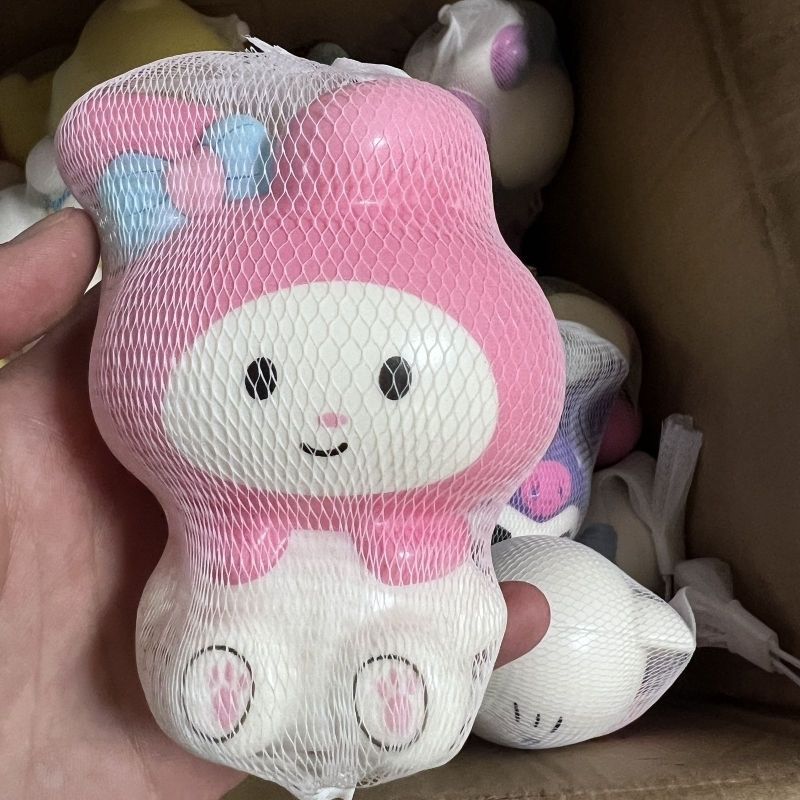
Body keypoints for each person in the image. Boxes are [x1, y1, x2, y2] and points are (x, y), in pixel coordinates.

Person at [0, 209, 547, 799]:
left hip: (405, 602)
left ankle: (399, 672)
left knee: (411, 636)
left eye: (393, 380)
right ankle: (232, 670)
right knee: (231, 628)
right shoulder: (223, 518)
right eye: (261, 380)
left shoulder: (428, 520)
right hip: (238, 595)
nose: (329, 418)